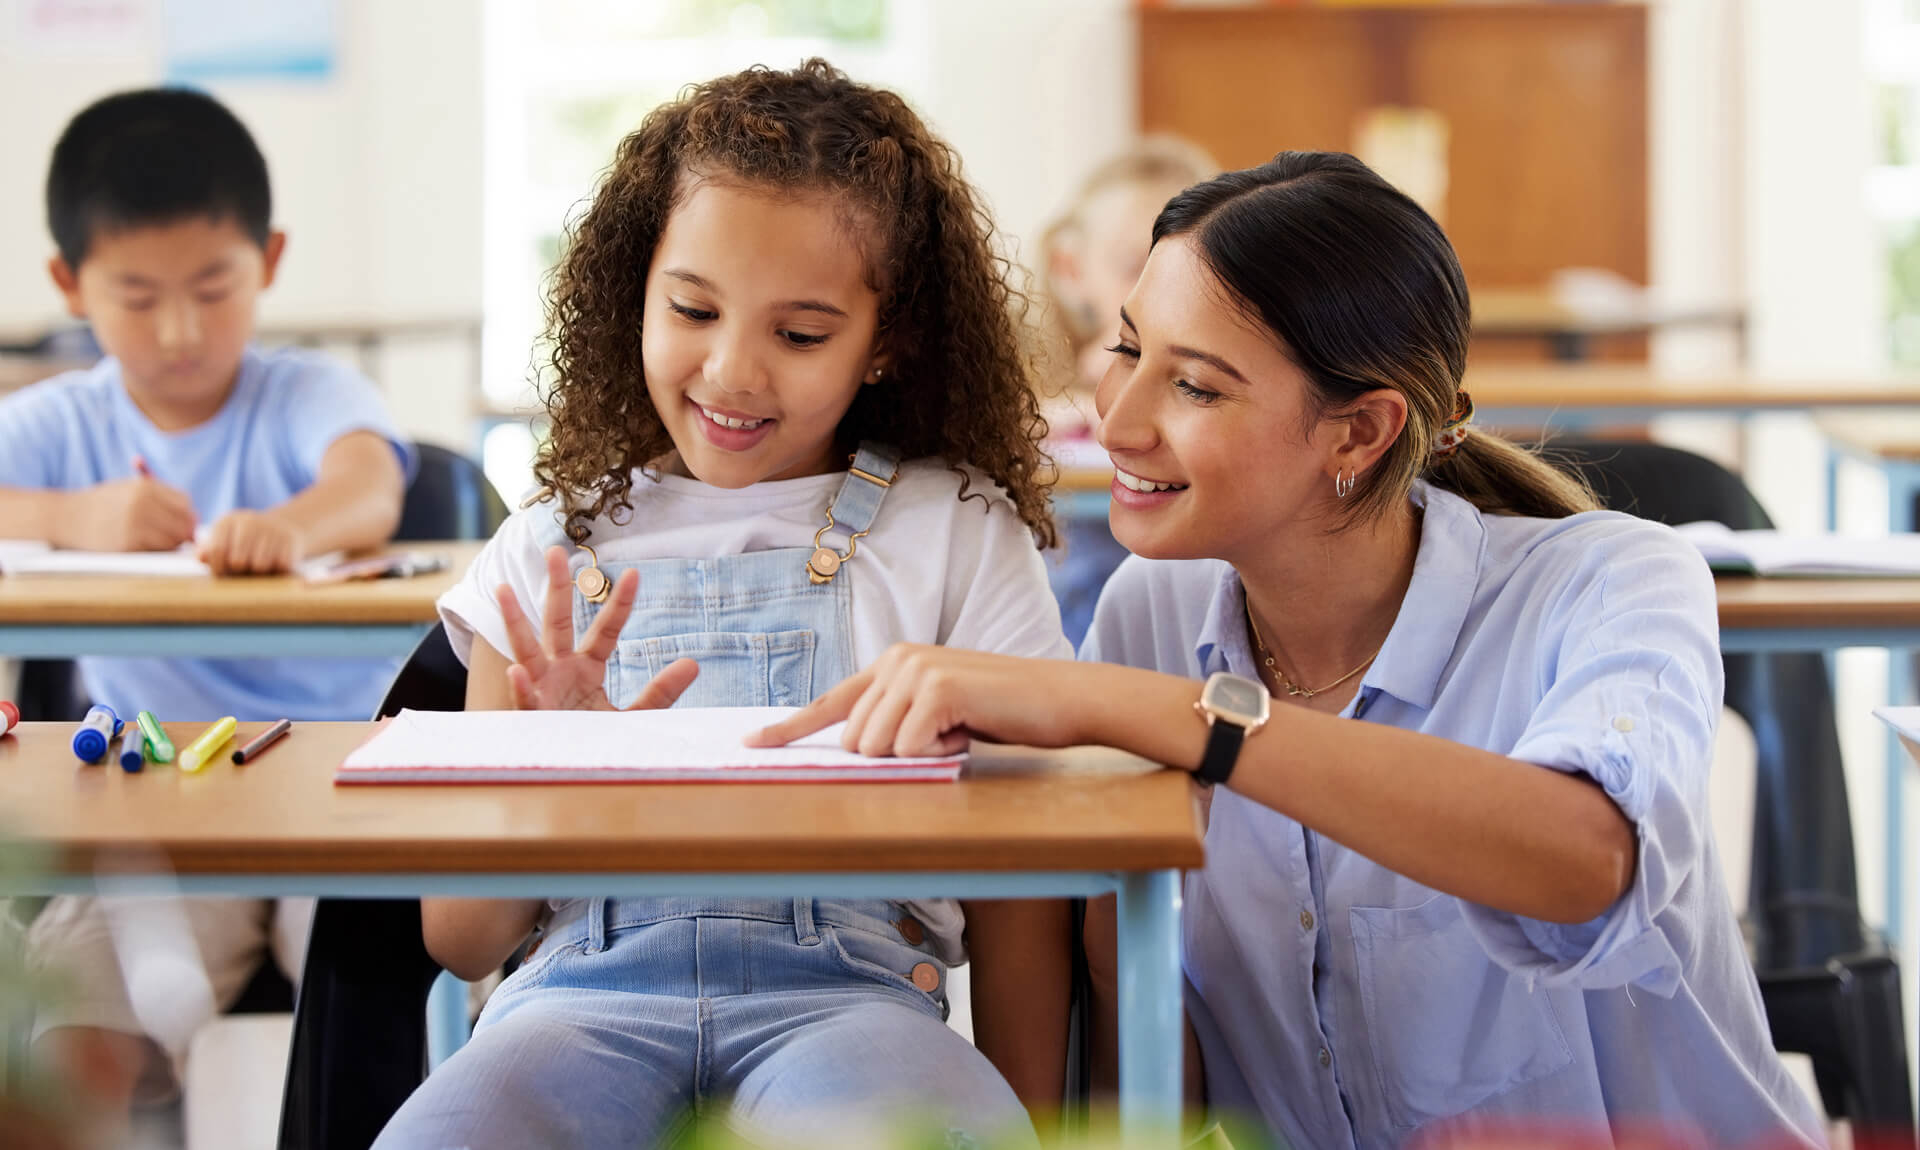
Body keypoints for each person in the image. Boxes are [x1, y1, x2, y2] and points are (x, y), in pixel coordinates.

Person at [753, 152, 1827, 1150]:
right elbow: (1154, 1068)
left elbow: (1585, 863)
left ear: (1358, 434)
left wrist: (1142, 713)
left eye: (1196, 385)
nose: (1118, 422)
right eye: (1129, 347)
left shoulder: (1615, 580)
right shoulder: (1154, 613)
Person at [375, 60, 1069, 1150]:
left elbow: (1030, 887)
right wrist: (543, 779)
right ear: (633, 287)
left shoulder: (958, 532)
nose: (732, 371)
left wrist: (1039, 1122)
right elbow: (463, 940)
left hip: (853, 1006)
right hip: (572, 1007)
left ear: (887, 340)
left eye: (800, 335)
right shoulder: (550, 542)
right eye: (692, 308)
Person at [0, 87, 413, 1140]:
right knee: (73, 1035)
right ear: (69, 283)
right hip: (165, 803)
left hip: (345, 787)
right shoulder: (58, 423)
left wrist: (293, 526)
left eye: (213, 287)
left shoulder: (301, 391)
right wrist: (71, 515)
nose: (180, 329)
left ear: (268, 260)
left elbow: (370, 483)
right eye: (136, 296)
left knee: (374, 1020)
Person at [1035, 137, 1217, 646]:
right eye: (1135, 267)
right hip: (1064, 635)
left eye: (1195, 272)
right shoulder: (1043, 375)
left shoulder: (1222, 377)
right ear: (1073, 270)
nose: (1164, 293)